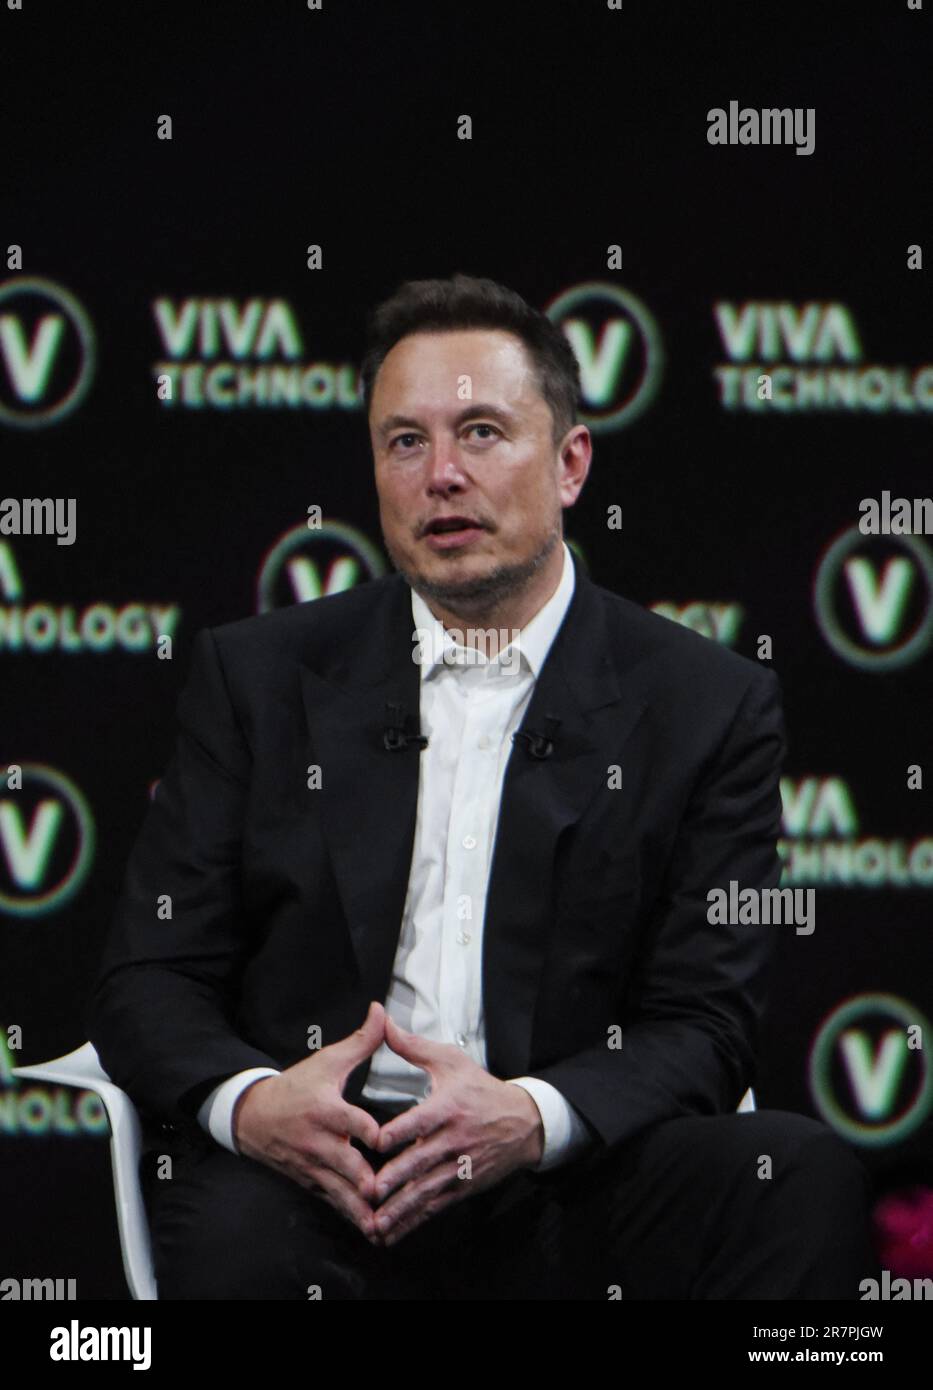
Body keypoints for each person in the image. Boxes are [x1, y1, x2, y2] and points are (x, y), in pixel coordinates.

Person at [88, 273, 879, 1299]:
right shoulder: (260, 677)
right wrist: (253, 1105)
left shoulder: (704, 702)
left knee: (794, 1177)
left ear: (571, 463)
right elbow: (148, 978)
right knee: (237, 1235)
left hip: (570, 1172)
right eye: (405, 441)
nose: (442, 475)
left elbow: (706, 1019)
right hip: (321, 1181)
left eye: (482, 432)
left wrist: (533, 1116)